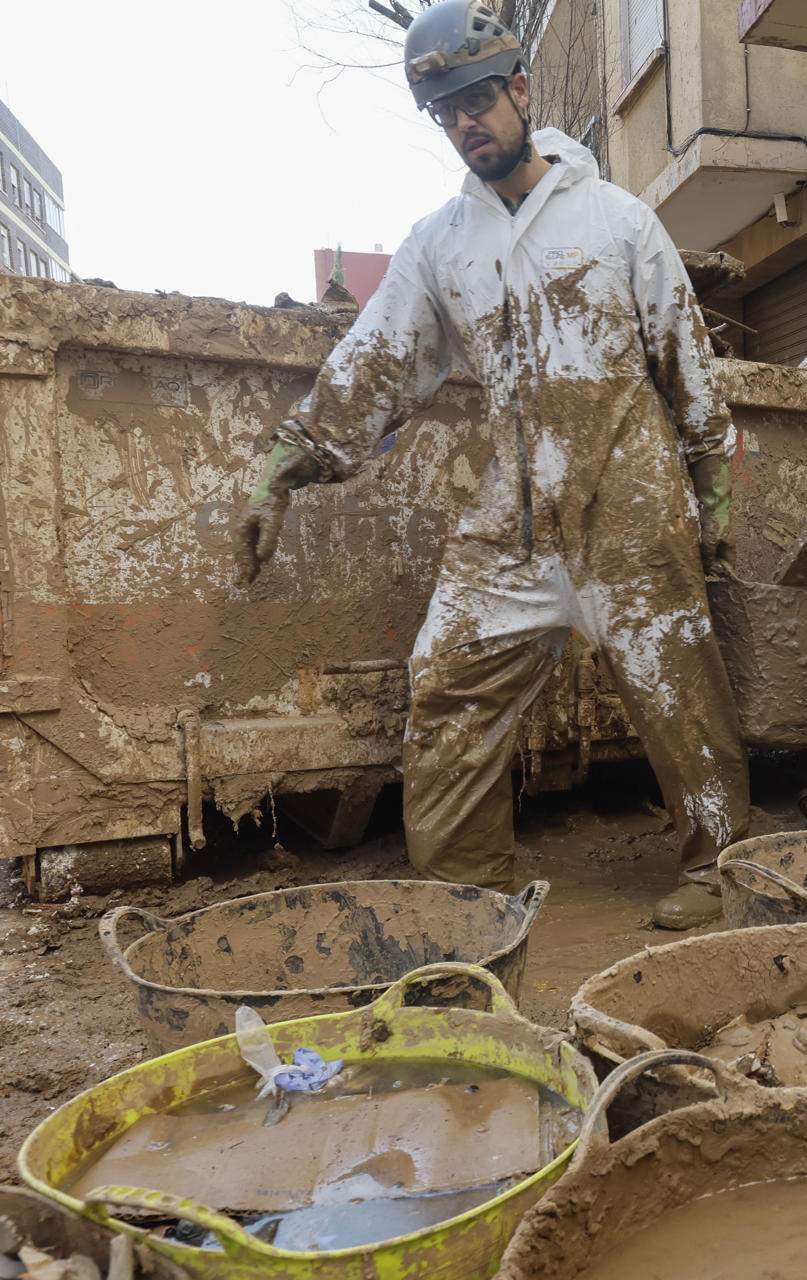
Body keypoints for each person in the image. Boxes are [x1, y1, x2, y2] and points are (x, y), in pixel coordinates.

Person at [234, 0, 746, 928]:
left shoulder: (618, 220)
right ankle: (472, 877)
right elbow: (375, 357)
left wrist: (711, 497)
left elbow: (688, 364)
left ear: (518, 89)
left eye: (477, 98)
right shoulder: (441, 242)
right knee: (445, 680)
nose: (466, 121)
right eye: (445, 111)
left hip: (628, 501)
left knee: (677, 685)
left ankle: (719, 864)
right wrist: (285, 468)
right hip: (511, 512)